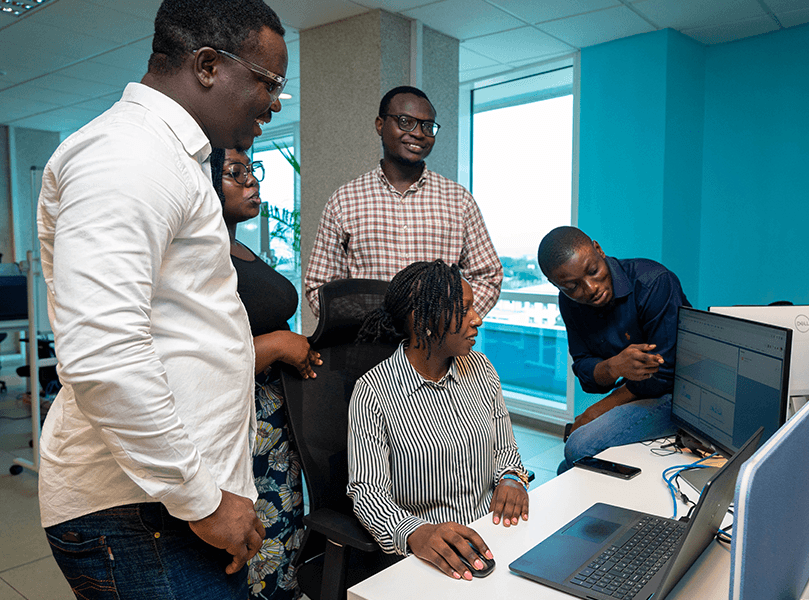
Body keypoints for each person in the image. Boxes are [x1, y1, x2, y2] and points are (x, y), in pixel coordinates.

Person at [36, 1, 288, 598]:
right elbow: (104, 355)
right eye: (268, 80)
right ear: (207, 65)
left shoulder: (171, 159)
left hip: (167, 502)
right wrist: (202, 499)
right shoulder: (129, 155)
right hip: (141, 511)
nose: (275, 101)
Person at [347, 260, 529, 580]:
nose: (479, 320)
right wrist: (416, 533)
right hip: (431, 557)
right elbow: (368, 491)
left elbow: (505, 448)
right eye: (466, 309)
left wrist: (512, 478)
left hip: (495, 533)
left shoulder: (481, 368)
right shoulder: (372, 392)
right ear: (425, 320)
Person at [212, 147, 320, 599]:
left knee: (284, 533)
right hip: (238, 424)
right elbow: (203, 358)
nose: (251, 181)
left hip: (276, 417)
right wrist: (277, 345)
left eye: (252, 170)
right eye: (234, 173)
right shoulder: (198, 256)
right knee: (252, 540)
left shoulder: (239, 248)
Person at [303, 86, 503, 318]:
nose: (419, 133)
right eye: (406, 121)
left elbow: (488, 276)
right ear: (380, 125)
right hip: (368, 349)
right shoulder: (344, 201)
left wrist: (448, 322)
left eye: (427, 126)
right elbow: (319, 286)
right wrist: (365, 326)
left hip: (438, 350)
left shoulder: (458, 200)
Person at [537, 227, 691, 474]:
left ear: (599, 250)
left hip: (680, 395)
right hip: (637, 393)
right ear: (555, 284)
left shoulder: (653, 282)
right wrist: (613, 367)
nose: (590, 289)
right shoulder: (569, 301)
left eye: (593, 271)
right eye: (571, 286)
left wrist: (599, 408)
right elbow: (585, 369)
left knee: (577, 449)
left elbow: (664, 375)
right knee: (569, 465)